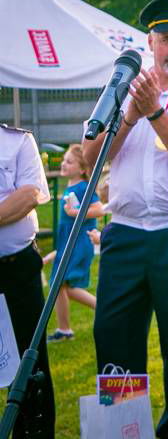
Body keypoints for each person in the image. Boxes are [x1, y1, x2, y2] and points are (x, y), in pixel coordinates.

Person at [82, 0, 168, 439]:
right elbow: (92, 157)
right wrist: (131, 112)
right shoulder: (120, 86)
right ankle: (121, 428)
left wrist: (155, 111)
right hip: (126, 236)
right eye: (167, 40)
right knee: (114, 339)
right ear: (149, 42)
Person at [0, 120, 55, 439]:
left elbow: (29, 195)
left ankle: (33, 432)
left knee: (30, 361)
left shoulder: (17, 141)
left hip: (17, 269)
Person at [43, 144, 102, 342]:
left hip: (79, 242)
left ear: (83, 169)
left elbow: (99, 210)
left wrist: (75, 213)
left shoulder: (84, 187)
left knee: (62, 285)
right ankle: (64, 329)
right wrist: (54, 254)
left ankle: (102, 307)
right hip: (68, 242)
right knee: (58, 286)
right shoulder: (70, 187)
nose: (64, 163)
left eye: (69, 161)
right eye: (64, 160)